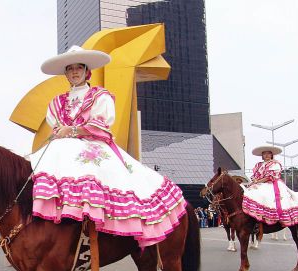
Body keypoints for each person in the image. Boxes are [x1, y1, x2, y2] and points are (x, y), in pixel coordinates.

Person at [29, 46, 186, 248]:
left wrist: (72, 131)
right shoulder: (57, 102)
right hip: (63, 146)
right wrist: (64, 131)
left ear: (87, 72)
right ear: (66, 74)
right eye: (70, 68)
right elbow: (57, 126)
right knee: (41, 168)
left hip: (92, 144)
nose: (75, 72)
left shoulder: (99, 96)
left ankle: (101, 228)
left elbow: (100, 125)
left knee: (100, 173)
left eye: (79, 67)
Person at [242, 145, 298, 226]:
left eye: (268, 153)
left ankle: (275, 217)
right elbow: (255, 175)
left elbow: (270, 177)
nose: (266, 155)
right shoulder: (258, 165)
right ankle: (253, 219)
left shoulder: (275, 164)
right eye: (264, 154)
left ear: (271, 155)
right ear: (262, 156)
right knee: (248, 193)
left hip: (272, 183)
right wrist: (253, 181)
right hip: (259, 183)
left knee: (268, 197)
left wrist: (258, 181)